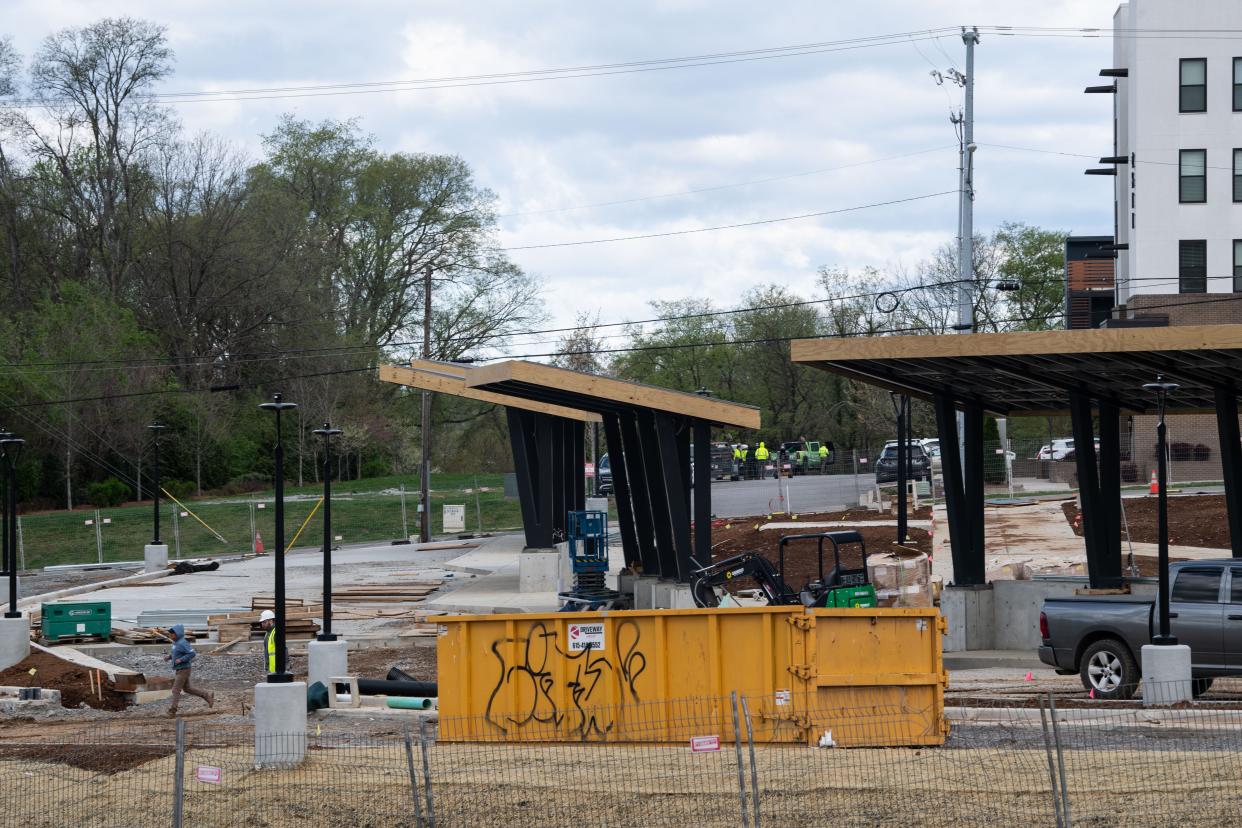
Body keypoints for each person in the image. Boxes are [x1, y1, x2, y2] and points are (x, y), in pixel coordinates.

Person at [165, 624, 213, 717]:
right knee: (187, 689)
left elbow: (192, 653)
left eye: (172, 634)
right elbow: (177, 653)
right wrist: (169, 657)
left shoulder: (183, 643)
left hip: (184, 669)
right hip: (179, 669)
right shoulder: (175, 643)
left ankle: (172, 711)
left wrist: (182, 660)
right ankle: (207, 695)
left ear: (177, 634)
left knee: (175, 690)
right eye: (170, 634)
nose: (170, 636)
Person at [259, 609, 277, 673]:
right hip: (271, 670)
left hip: (277, 670)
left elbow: (284, 650)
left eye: (264, 622)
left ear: (271, 621)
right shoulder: (267, 633)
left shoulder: (276, 633)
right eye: (262, 622)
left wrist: (286, 667)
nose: (262, 624)